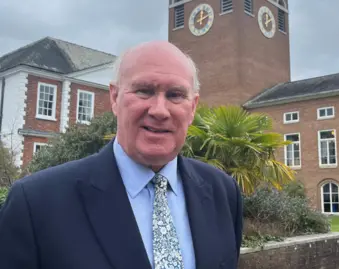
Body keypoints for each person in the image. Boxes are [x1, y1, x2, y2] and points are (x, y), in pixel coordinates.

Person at [0, 41, 243, 269]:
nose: (159, 110)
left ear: (193, 107)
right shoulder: (36, 203)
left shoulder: (223, 192)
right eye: (144, 91)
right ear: (115, 98)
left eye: (175, 95)